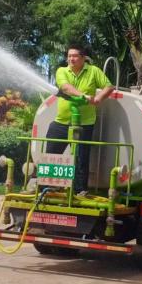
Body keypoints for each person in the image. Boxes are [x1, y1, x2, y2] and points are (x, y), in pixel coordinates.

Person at [46, 44, 115, 195]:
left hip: (85, 123)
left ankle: (80, 190)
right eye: (69, 56)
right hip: (62, 121)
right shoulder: (62, 71)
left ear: (83, 58)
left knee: (81, 157)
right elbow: (65, 87)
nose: (71, 59)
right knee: (51, 153)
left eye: (75, 56)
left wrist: (98, 99)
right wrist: (83, 96)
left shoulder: (93, 71)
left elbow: (109, 87)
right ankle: (49, 186)